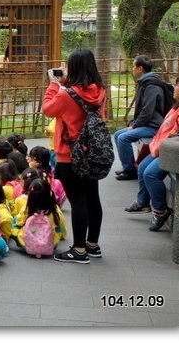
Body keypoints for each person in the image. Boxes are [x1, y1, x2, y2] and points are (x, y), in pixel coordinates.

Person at [42, 48, 107, 263]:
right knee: (92, 199)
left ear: (74, 67)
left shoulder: (65, 94)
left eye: (68, 65)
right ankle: (92, 244)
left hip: (70, 154)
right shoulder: (100, 91)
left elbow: (48, 110)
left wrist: (53, 84)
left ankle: (78, 250)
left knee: (77, 202)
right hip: (92, 152)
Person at [124, 75, 179, 232]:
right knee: (143, 167)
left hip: (172, 151)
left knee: (150, 174)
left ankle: (160, 210)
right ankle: (143, 203)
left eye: (177, 85)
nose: (173, 88)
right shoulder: (177, 106)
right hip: (160, 147)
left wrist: (176, 137)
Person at [113, 55, 172, 180]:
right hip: (147, 123)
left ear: (140, 68)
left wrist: (134, 125)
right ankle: (128, 167)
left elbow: (147, 111)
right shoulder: (145, 82)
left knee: (123, 138)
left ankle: (130, 172)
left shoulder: (151, 85)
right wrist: (133, 123)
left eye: (134, 66)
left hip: (154, 126)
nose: (133, 69)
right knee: (118, 134)